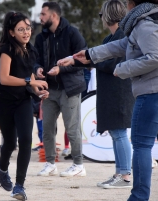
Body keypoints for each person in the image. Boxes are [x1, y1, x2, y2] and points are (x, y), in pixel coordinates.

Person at [64, 0, 158, 200]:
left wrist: (123, 69)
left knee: (141, 145)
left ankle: (138, 197)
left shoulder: (145, 24)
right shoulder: (155, 20)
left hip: (154, 89)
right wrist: (90, 54)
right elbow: (124, 44)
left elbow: (156, 57)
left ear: (133, 3)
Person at [58, 0, 135, 189]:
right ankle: (120, 172)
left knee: (119, 133)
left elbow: (110, 64)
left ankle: (125, 175)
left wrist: (86, 59)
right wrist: (75, 61)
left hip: (121, 92)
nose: (100, 19)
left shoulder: (123, 36)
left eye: (102, 15)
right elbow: (97, 59)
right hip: (111, 92)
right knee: (116, 133)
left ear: (108, 15)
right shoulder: (109, 39)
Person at [0, 11, 49, 201]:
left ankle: (19, 186)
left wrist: (38, 90)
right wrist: (30, 82)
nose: (26, 32)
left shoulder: (31, 50)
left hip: (23, 100)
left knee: (26, 140)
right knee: (10, 142)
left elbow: (30, 77)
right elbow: (4, 78)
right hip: (4, 102)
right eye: (21, 29)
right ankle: (1, 167)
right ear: (11, 32)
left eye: (28, 28)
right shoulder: (7, 50)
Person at [34, 2, 89, 177]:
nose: (40, 18)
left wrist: (61, 69)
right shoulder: (40, 37)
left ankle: (79, 165)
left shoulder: (73, 33)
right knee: (47, 128)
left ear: (54, 16)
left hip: (70, 88)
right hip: (49, 89)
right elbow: (35, 59)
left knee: (71, 128)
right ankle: (50, 163)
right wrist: (37, 68)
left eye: (43, 14)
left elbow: (83, 61)